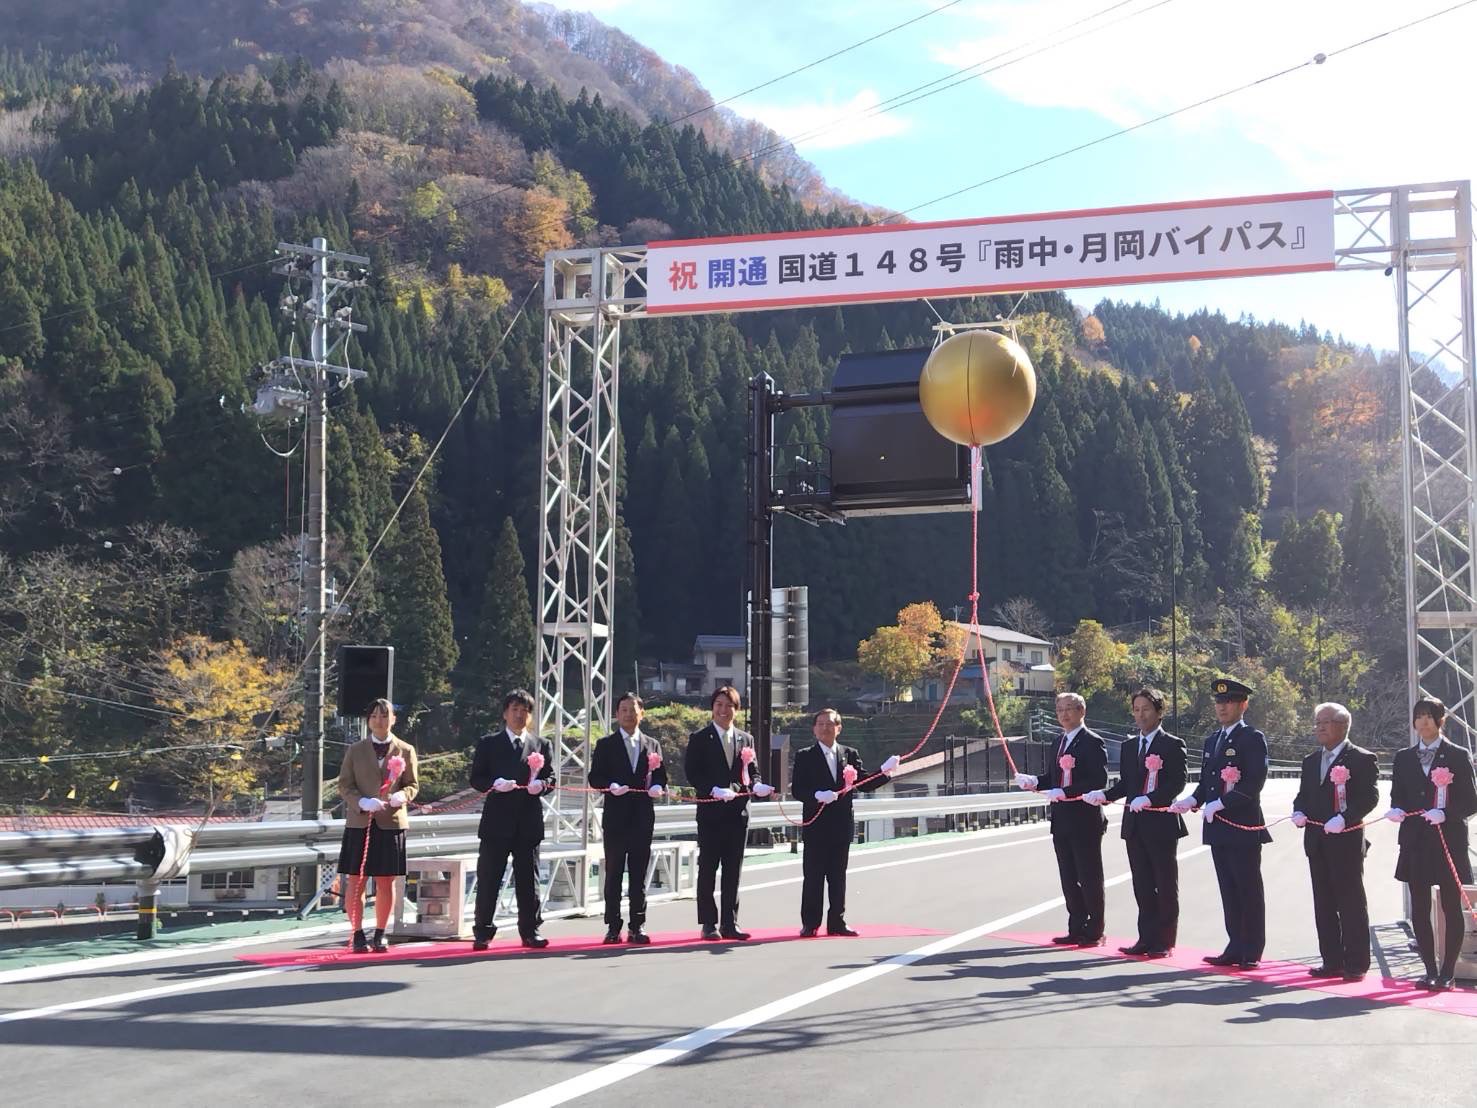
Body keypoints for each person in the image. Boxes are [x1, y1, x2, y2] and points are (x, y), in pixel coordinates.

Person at [1169, 677, 1270, 969]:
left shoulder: (1252, 738)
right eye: (1219, 702)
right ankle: (1234, 945)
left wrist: (1222, 803)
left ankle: (1251, 950)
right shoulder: (1213, 740)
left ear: (1243, 704)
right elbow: (1206, 783)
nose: (1222, 707)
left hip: (1242, 826)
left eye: (1228, 702)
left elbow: (1253, 782)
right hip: (1217, 826)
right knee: (1228, 888)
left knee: (1247, 888)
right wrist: (1192, 800)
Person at [1087, 686, 1187, 957]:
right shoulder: (1130, 746)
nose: (1141, 715)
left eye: (1146, 709)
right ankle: (1146, 937)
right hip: (1134, 825)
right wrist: (1104, 795)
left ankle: (1164, 941)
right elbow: (1127, 784)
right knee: (1142, 884)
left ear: (1159, 711)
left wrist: (1152, 799)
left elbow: (1178, 782)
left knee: (1164, 884)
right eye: (1137, 709)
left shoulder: (1172, 744)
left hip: (1161, 824)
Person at [1387, 696, 1477, 990]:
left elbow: (1470, 800)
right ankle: (1428, 970)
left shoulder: (1457, 754)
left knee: (1451, 907)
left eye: (1429, 716)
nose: (1423, 722)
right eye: (1418, 716)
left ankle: (1448, 971)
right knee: (1420, 908)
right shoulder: (1404, 757)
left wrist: (1446, 813)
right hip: (1415, 842)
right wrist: (1397, 810)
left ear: (1440, 720)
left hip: (1448, 840)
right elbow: (1397, 794)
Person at [790, 708, 900, 937]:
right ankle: (810, 923)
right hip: (816, 823)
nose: (825, 728)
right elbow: (798, 789)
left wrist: (885, 772)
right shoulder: (805, 755)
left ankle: (837, 921)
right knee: (813, 875)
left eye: (830, 724)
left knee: (838, 876)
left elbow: (865, 783)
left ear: (838, 728)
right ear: (814, 729)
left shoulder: (849, 754)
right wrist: (817, 795)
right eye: (820, 724)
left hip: (841, 824)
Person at [1290, 702, 1379, 981]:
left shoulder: (1362, 759)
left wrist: (1346, 818)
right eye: (1317, 722)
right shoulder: (1310, 761)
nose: (1320, 727)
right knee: (1324, 903)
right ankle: (1332, 960)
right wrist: (1298, 810)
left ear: (1343, 725)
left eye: (1326, 721)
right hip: (1316, 841)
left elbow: (1369, 797)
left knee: (1350, 902)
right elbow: (1304, 794)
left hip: (1346, 841)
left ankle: (1356, 963)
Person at [1014, 692, 1107, 946]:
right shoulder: (1058, 743)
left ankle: (1095, 929)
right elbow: (1053, 778)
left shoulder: (1092, 742)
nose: (1064, 714)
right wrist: (1034, 781)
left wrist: (1066, 792)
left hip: (1085, 820)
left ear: (1081, 711)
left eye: (1069, 709)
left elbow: (1098, 781)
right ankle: (1075, 926)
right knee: (1068, 875)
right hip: (1061, 819)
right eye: (1060, 710)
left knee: (1089, 876)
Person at [684, 685, 775, 940]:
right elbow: (692, 772)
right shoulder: (700, 738)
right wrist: (712, 789)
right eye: (719, 705)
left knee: (733, 869)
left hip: (738, 813)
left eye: (729, 706)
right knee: (709, 868)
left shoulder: (746, 739)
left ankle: (730, 922)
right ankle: (708, 923)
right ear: (712, 707)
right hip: (711, 813)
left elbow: (752, 770)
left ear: (736, 709)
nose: (723, 710)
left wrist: (757, 785)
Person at [469, 689, 557, 950]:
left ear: (530, 716)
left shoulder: (541, 745)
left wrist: (541, 785)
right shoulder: (489, 743)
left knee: (528, 880)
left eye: (525, 711)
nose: (519, 715)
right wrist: (494, 784)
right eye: (515, 709)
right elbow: (476, 778)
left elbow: (551, 778)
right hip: (497, 822)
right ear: (505, 713)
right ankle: (483, 931)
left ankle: (530, 930)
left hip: (527, 821)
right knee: (489, 878)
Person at [337, 698, 418, 954]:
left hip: (390, 822)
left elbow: (412, 784)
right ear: (368, 720)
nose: (379, 720)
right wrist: (361, 801)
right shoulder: (355, 750)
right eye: (374, 716)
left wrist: (402, 796)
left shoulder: (405, 749)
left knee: (386, 881)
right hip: (360, 821)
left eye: (385, 716)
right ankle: (357, 932)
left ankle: (381, 933)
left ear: (393, 719)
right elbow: (344, 785)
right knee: (356, 880)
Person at [588, 692, 668, 945]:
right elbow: (595, 778)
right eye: (623, 709)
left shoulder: (652, 744)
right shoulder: (605, 745)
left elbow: (660, 776)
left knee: (638, 874)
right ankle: (613, 926)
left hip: (642, 817)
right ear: (616, 714)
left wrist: (658, 787)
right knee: (613, 874)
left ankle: (637, 925)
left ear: (641, 713)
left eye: (633, 710)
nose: (628, 714)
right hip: (616, 817)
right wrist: (610, 786)